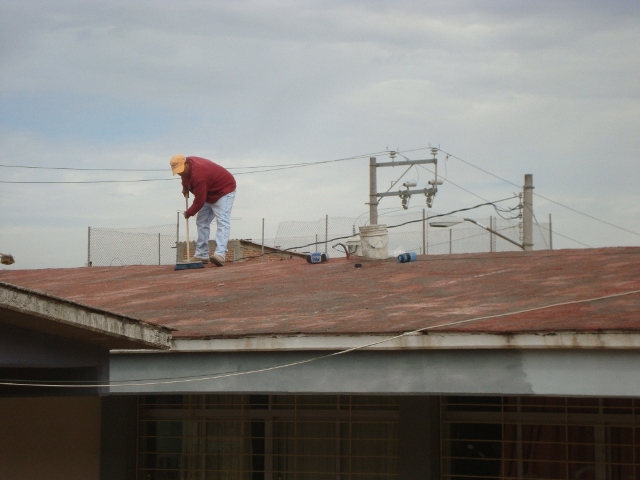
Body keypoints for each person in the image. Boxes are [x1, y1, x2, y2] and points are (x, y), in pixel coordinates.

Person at [170, 154, 236, 266]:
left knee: (222, 221)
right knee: (202, 221)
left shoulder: (199, 175)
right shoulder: (186, 169)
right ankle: (202, 254)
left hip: (224, 190)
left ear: (186, 163)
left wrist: (189, 212)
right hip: (208, 191)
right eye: (178, 171)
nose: (180, 173)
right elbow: (185, 177)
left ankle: (220, 254)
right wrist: (185, 188)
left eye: (181, 170)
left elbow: (200, 200)